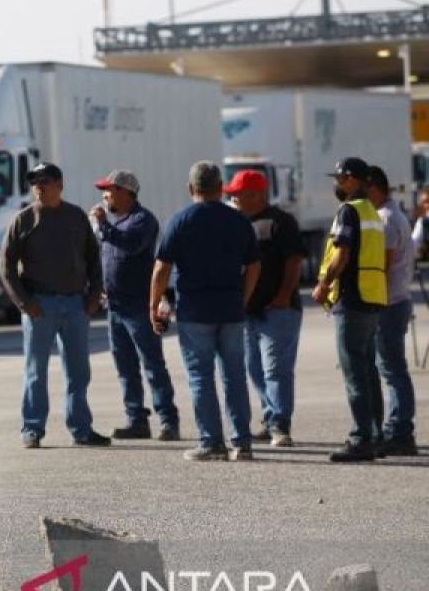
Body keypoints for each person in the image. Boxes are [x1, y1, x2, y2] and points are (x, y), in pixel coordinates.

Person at [151, 162, 260, 462]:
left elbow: (162, 268)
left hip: (195, 311)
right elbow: (253, 266)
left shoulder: (180, 220)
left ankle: (212, 442)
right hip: (231, 309)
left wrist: (154, 305)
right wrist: (243, 298)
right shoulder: (238, 221)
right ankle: (242, 442)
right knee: (235, 375)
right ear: (221, 186)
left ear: (191, 188)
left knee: (200, 376)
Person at [0, 162, 110, 449]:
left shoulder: (75, 217)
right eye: (34, 182)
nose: (39, 186)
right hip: (40, 306)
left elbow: (93, 260)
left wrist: (93, 297)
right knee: (36, 371)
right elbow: (6, 267)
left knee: (78, 372)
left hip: (75, 305)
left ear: (60, 184)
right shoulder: (23, 220)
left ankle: (81, 429)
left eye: (45, 181)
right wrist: (25, 303)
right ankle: (32, 429)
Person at [89, 169, 180, 441]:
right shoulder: (114, 224)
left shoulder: (142, 220)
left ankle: (168, 420)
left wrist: (102, 226)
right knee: (125, 366)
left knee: (152, 364)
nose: (105, 195)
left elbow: (130, 246)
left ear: (126, 192)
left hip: (140, 306)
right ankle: (136, 419)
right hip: (115, 307)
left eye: (109, 189)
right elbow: (108, 262)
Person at [312, 157, 388, 463]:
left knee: (354, 371)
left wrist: (323, 284)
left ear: (351, 179)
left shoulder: (349, 210)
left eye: (340, 178)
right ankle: (375, 436)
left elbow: (341, 254)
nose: (337, 183)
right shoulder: (372, 211)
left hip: (353, 297)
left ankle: (360, 439)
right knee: (368, 369)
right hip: (373, 298)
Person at [225, 169, 306, 448]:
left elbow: (295, 261)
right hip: (247, 310)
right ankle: (270, 417)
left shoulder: (280, 222)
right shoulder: (235, 223)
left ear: (256, 195)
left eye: (238, 194)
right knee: (255, 368)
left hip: (278, 310)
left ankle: (280, 425)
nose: (233, 199)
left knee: (276, 369)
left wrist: (283, 296)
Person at [365, 166, 418, 456]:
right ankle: (399, 429)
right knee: (393, 369)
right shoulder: (393, 215)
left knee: (392, 370)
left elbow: (381, 267)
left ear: (374, 188)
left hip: (388, 303)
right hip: (397, 301)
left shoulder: (384, 219)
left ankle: (399, 430)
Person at [410, 188, 429, 261]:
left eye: (427, 202)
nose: (425, 205)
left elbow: (413, 246)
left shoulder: (423, 221)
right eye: (424, 202)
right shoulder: (422, 221)